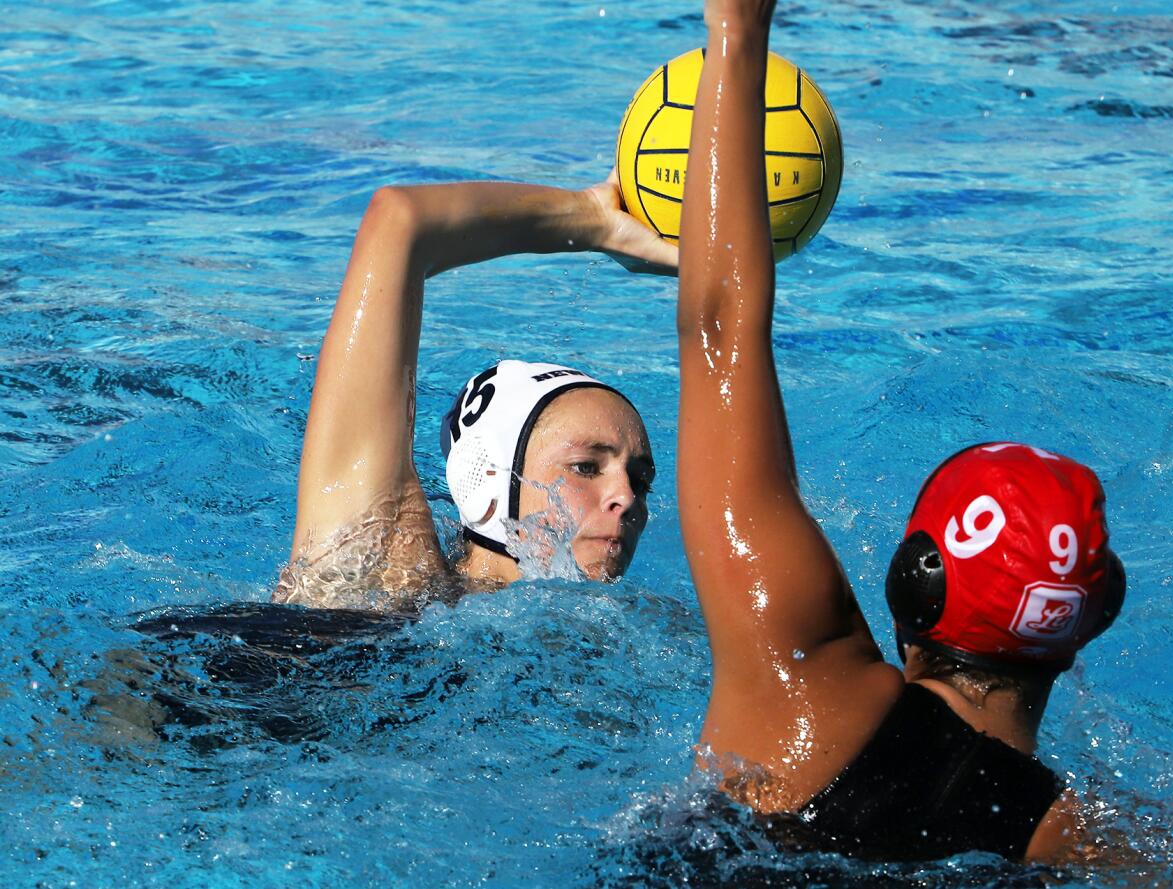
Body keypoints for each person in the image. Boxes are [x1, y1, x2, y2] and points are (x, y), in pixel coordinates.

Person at [675, 0, 1125, 863]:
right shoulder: (1091, 838)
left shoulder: (803, 684)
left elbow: (720, 330)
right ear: (1095, 616)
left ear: (915, 583)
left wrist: (737, 33)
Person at [275, 175, 675, 611]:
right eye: (585, 467)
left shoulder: (633, 633)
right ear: (488, 480)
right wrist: (596, 220)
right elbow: (401, 221)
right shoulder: (382, 569)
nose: (628, 498)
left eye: (641, 480)